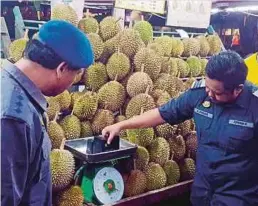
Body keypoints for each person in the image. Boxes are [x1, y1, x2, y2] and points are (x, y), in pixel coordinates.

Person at [102, 51, 258, 206]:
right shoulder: (200, 94)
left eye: (217, 93)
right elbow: (162, 114)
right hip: (202, 194)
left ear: (238, 89)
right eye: (208, 87)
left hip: (237, 198)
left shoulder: (254, 106)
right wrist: (121, 125)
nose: (209, 94)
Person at [1, 20, 94, 205]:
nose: (73, 82)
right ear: (61, 68)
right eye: (75, 75)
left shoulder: (12, 89)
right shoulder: (14, 118)